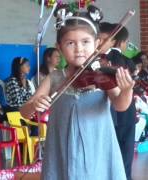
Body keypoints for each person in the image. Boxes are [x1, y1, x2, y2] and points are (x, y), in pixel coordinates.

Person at [20, 6, 133, 180]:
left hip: (97, 146)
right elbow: (25, 111)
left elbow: (120, 104)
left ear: (96, 44)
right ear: (59, 47)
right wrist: (35, 104)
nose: (79, 49)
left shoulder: (101, 75)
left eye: (85, 42)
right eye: (70, 43)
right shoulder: (55, 77)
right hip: (61, 148)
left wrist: (127, 90)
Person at [99, 22, 136, 180]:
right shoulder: (126, 61)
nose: (98, 43)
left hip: (117, 110)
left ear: (112, 40)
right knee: (124, 157)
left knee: (118, 157)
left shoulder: (104, 60)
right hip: (121, 114)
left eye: (101, 39)